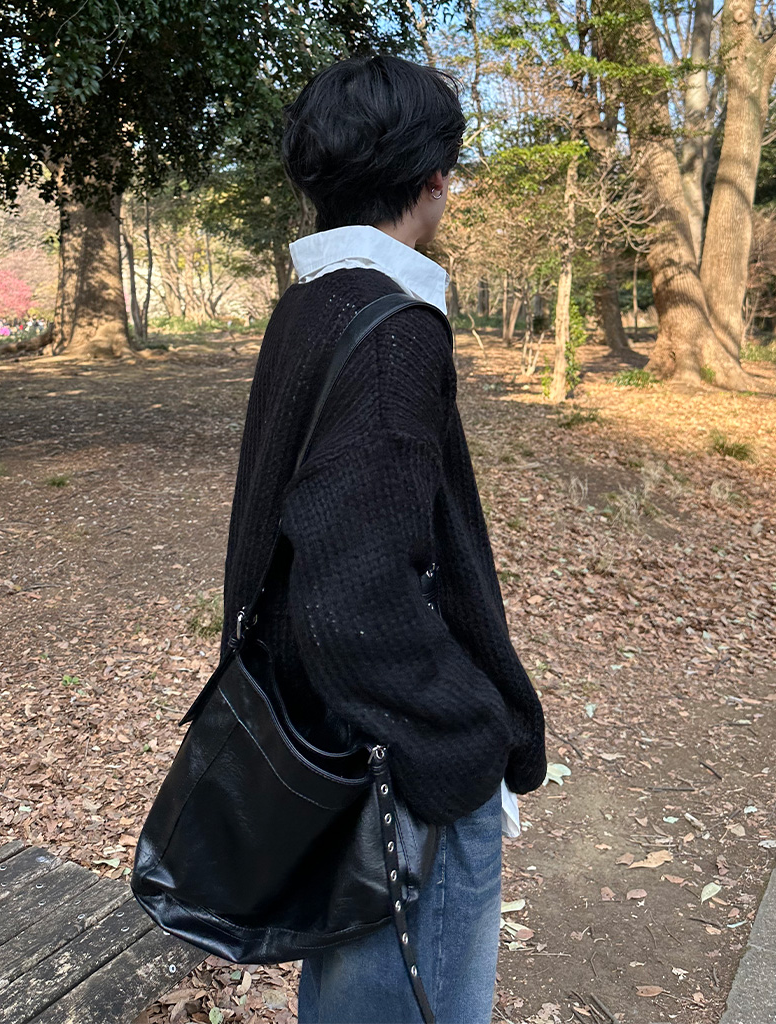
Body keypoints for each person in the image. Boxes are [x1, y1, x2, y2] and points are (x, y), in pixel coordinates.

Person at [218, 54, 547, 1024]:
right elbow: (351, 598)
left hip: (330, 741)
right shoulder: (393, 326)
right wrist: (464, 739)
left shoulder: (312, 301)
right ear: (433, 178)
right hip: (399, 774)